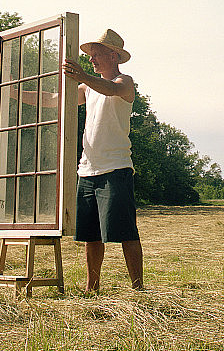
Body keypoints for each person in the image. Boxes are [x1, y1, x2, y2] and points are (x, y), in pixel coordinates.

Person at [62, 28, 144, 292]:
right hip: (87, 171)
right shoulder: (86, 88)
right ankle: (92, 288)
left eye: (96, 55)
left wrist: (81, 76)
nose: (91, 60)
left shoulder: (125, 82)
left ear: (113, 56)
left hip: (116, 169)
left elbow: (110, 89)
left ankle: (138, 289)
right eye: (90, 56)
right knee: (90, 235)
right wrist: (11, 93)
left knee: (125, 232)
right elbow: (54, 100)